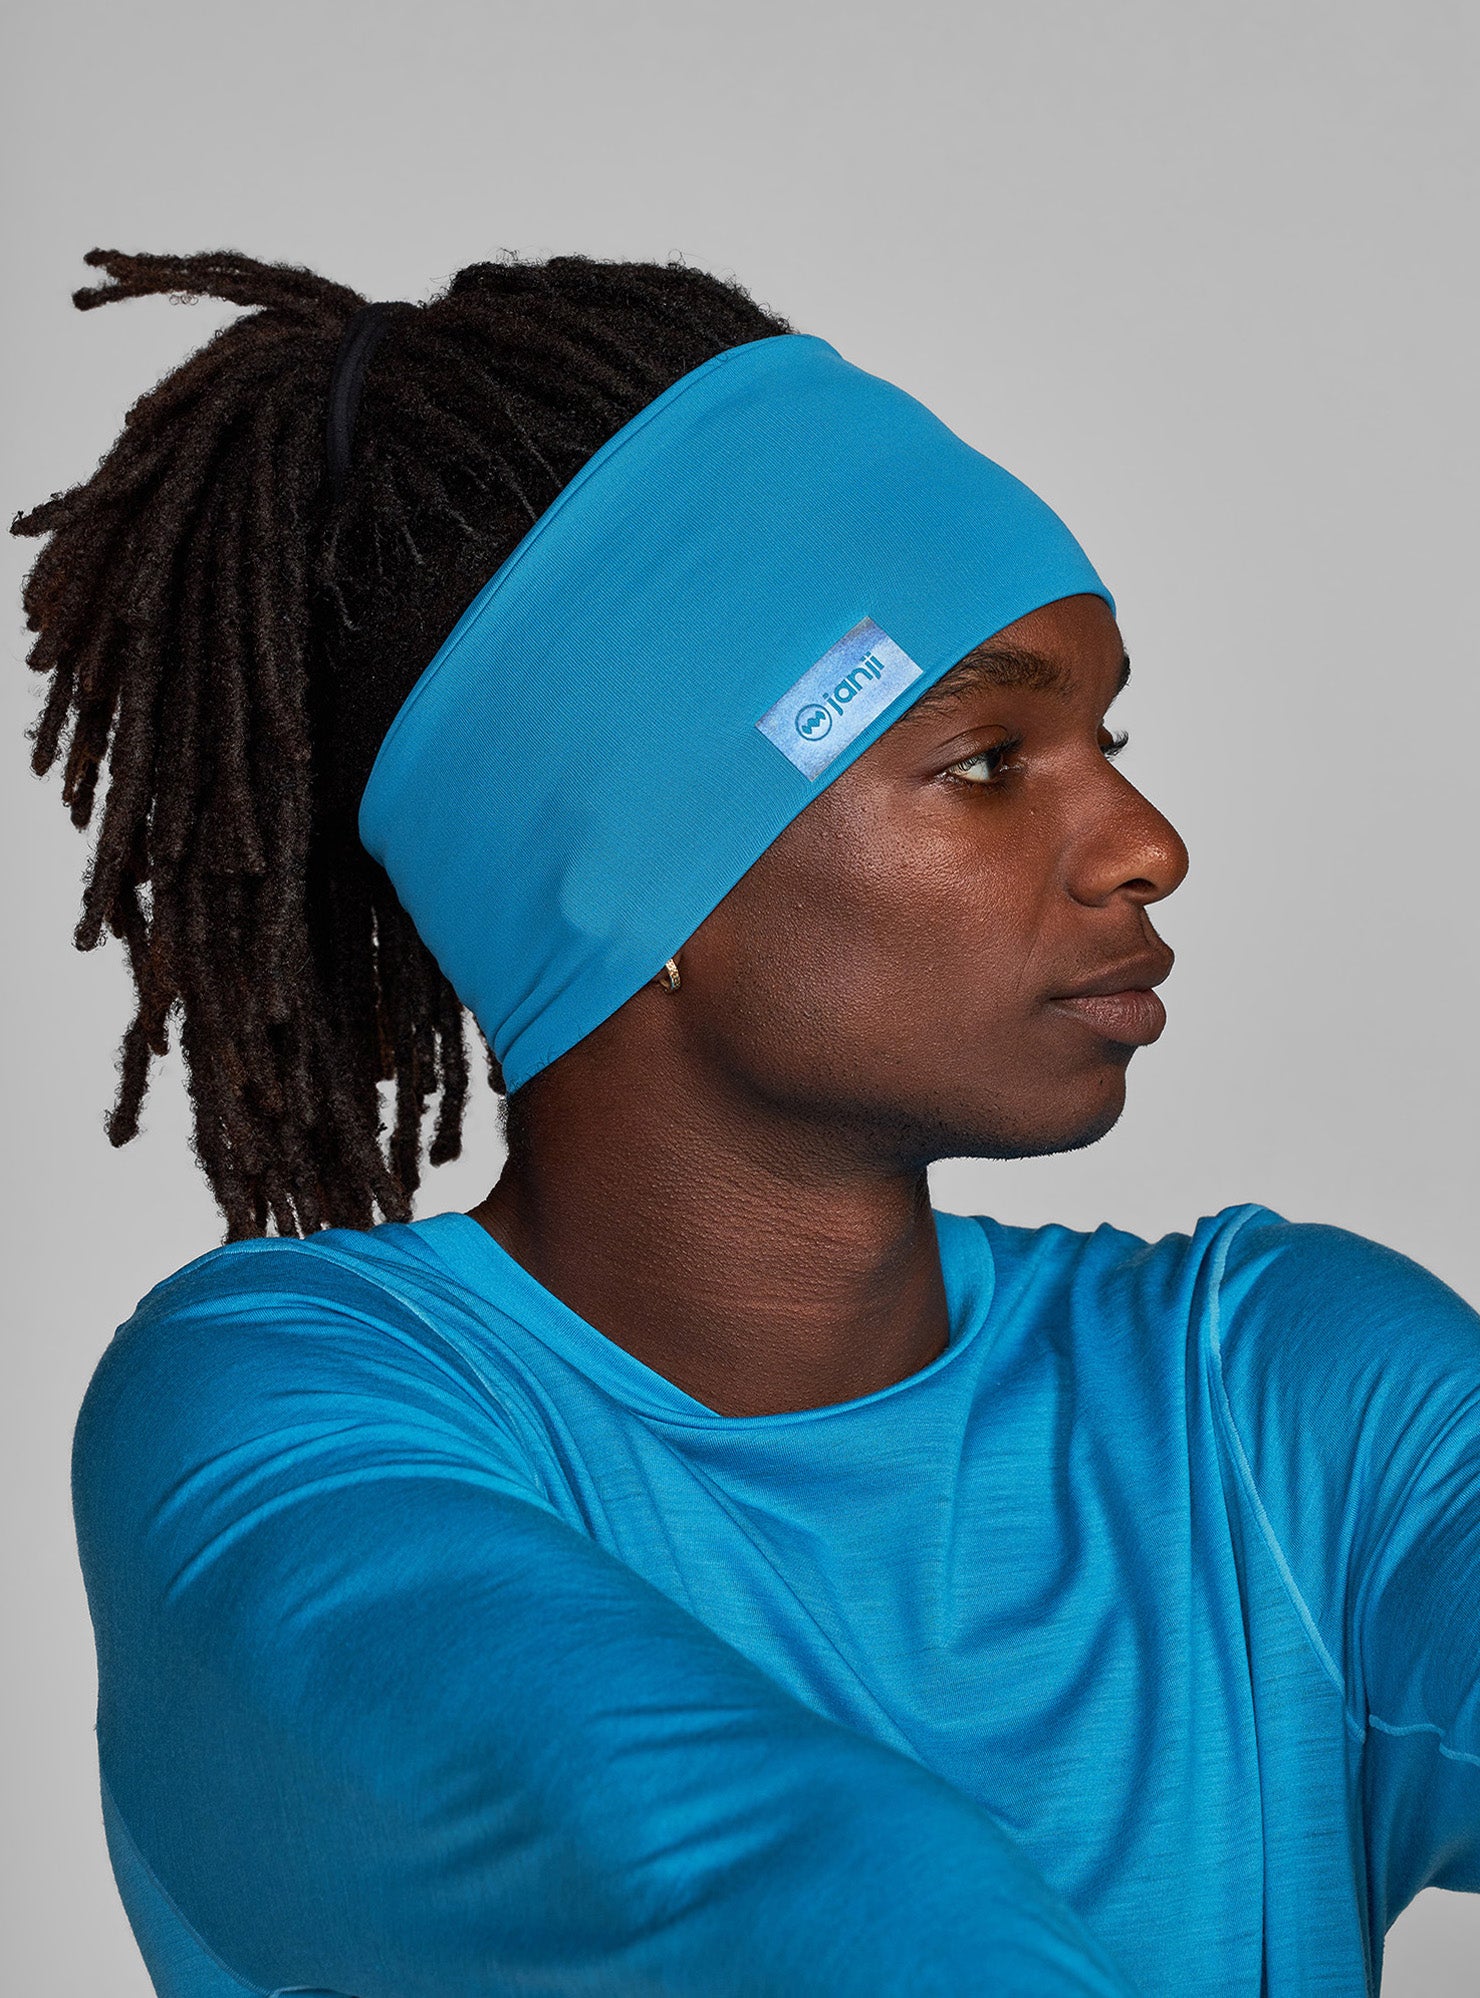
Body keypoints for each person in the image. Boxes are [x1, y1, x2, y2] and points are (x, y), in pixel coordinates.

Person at [15, 248, 1477, 1998]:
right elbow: (776, 1883)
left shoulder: (1273, 1396)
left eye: (1107, 735)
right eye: (988, 759)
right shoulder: (285, 1425)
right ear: (637, 878)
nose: (1144, 841)